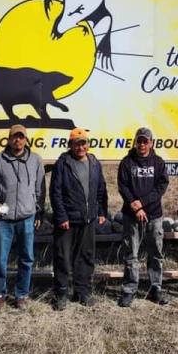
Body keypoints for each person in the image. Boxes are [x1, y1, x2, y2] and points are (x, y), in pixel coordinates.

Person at [0, 124, 45, 311]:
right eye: (14, 137)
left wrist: (39, 210)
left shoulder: (35, 160)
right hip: (5, 219)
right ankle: (0, 294)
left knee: (26, 258)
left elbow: (40, 189)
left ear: (26, 140)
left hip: (27, 217)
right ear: (9, 139)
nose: (17, 140)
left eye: (21, 137)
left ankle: (21, 295)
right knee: (0, 259)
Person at [49, 127, 108, 310]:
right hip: (68, 221)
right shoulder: (63, 163)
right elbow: (55, 193)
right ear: (70, 145)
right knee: (63, 258)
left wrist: (101, 212)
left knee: (85, 257)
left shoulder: (94, 162)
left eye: (83, 143)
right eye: (77, 144)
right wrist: (61, 216)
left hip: (88, 220)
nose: (80, 147)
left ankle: (82, 292)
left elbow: (101, 189)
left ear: (88, 145)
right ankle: (61, 294)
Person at [116, 127, 170, 307]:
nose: (142, 144)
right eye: (139, 141)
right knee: (131, 253)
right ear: (135, 142)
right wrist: (134, 206)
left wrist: (143, 203)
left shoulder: (158, 162)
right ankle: (129, 290)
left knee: (156, 252)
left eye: (145, 141)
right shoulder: (126, 162)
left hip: (154, 216)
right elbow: (123, 186)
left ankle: (155, 288)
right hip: (132, 216)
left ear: (151, 143)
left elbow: (162, 186)